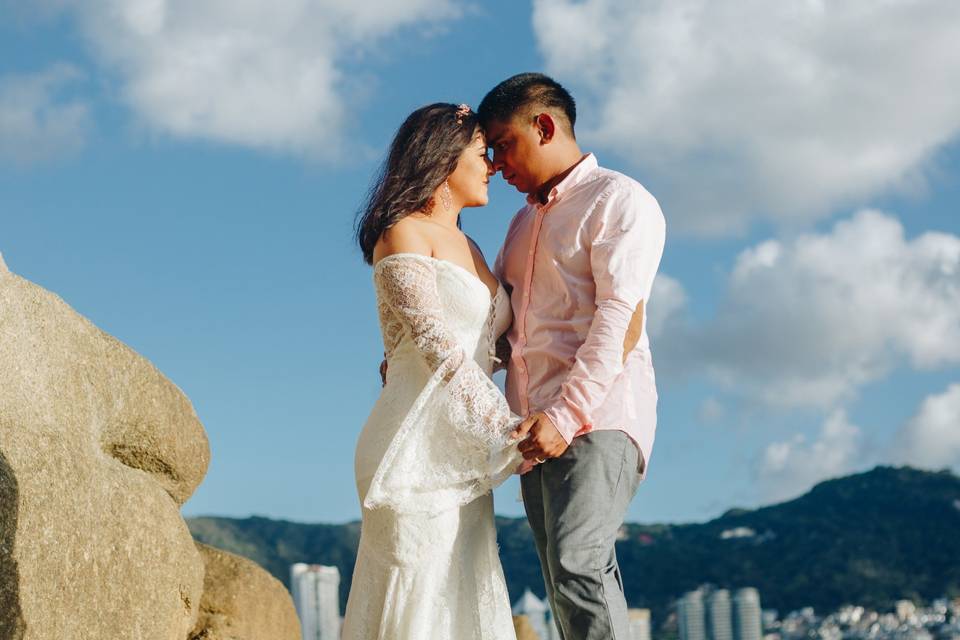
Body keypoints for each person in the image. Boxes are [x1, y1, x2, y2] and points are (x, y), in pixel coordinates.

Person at [480, 73, 666, 640]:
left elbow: (620, 320)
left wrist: (565, 417)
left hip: (599, 416)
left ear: (543, 126)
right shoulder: (518, 227)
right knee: (566, 579)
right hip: (533, 431)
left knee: (577, 562)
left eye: (503, 144)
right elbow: (506, 334)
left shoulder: (619, 199)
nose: (495, 163)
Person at [341, 103, 523, 640]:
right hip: (412, 449)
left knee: (461, 605)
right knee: (418, 605)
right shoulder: (402, 234)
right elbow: (440, 349)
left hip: (460, 447)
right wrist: (508, 429)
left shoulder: (473, 247)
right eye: (480, 154)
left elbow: (489, 351)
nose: (491, 166)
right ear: (443, 159)